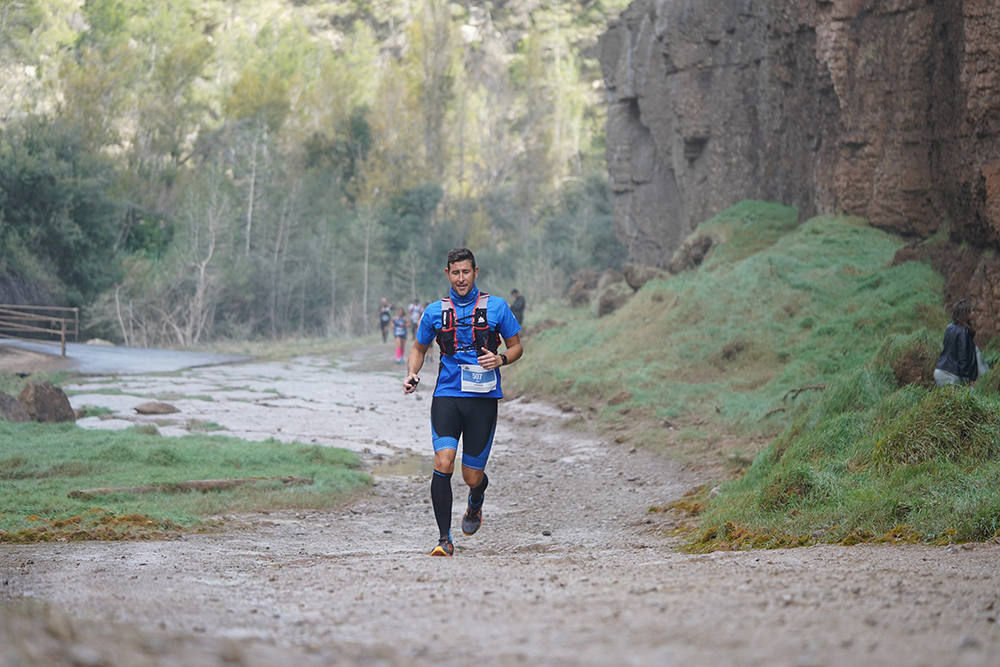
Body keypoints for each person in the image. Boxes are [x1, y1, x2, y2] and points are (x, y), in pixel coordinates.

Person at [403, 248, 523, 557]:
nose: (460, 278)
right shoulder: (433, 312)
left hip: (482, 401)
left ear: (475, 272)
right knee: (443, 461)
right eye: (455, 273)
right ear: (447, 274)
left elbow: (517, 346)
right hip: (447, 396)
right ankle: (444, 539)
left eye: (465, 272)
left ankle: (476, 499)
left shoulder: (496, 307)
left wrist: (501, 359)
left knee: (471, 476)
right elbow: (418, 348)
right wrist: (413, 373)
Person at [934, 298, 980, 386]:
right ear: (965, 314)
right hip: (952, 375)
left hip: (940, 371)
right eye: (972, 310)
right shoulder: (963, 331)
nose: (974, 313)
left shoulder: (949, 327)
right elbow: (963, 356)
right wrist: (968, 379)